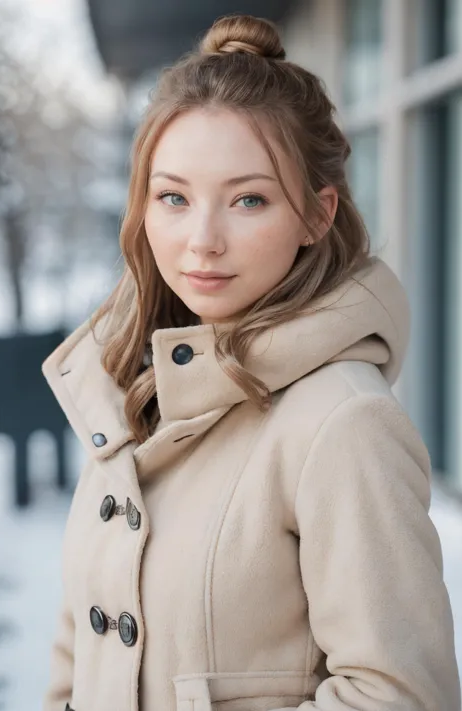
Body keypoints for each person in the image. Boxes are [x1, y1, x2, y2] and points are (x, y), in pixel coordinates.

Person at [41, 13, 461, 711]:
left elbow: (401, 694)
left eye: (248, 199)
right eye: (173, 197)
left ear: (316, 215)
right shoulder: (133, 388)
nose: (201, 240)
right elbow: (81, 641)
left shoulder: (343, 422)